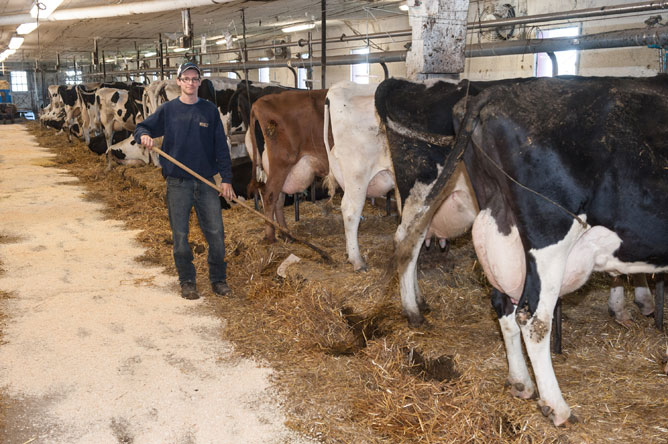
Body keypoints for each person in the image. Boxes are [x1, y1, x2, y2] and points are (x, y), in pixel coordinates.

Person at [134, 61, 236, 300]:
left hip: (206, 182)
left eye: (194, 79)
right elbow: (141, 128)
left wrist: (227, 180)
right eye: (186, 79)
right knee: (180, 236)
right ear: (178, 82)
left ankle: (218, 280)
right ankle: (187, 281)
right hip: (177, 183)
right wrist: (145, 136)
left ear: (199, 83)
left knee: (216, 235)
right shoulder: (169, 110)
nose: (190, 83)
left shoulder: (209, 111)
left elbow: (221, 148)